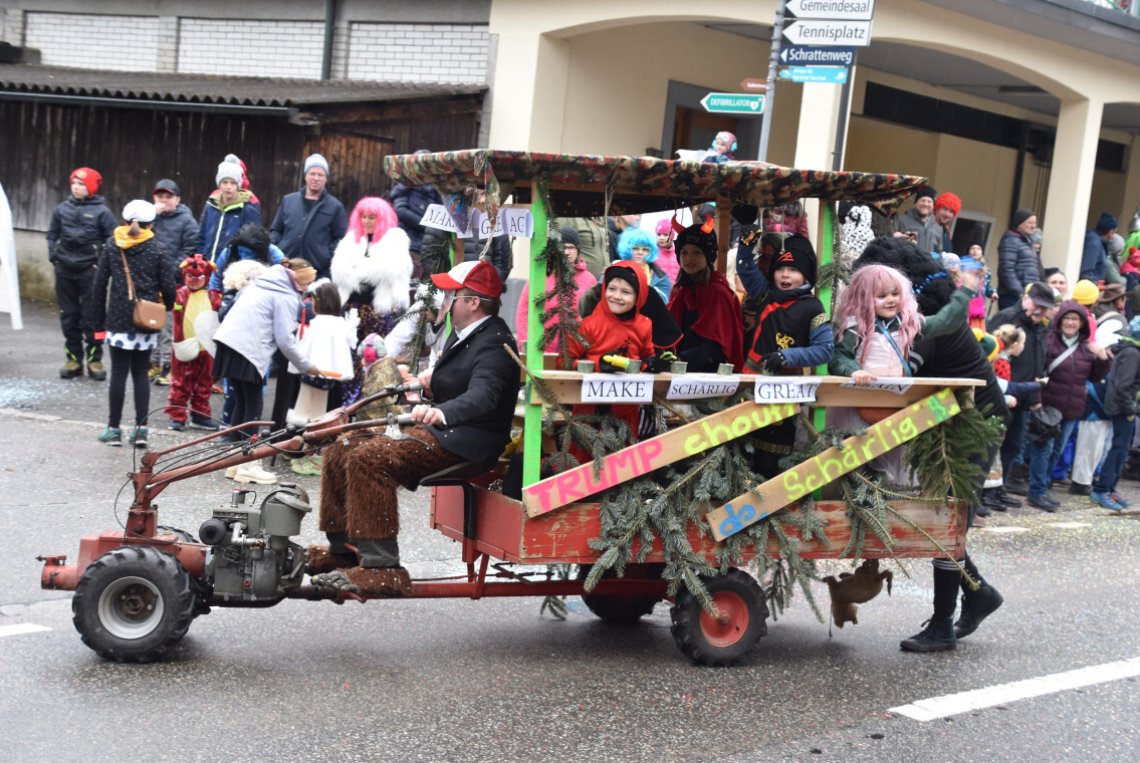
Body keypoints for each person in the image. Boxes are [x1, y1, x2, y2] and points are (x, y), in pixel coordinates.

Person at [311, 260, 519, 596]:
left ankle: (382, 567)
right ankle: (343, 550)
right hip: (446, 431)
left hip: (467, 442)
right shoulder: (466, 332)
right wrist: (429, 385)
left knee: (370, 458)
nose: (444, 300)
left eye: (451, 294)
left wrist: (443, 412)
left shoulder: (494, 342)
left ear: (473, 302)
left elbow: (485, 396)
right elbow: (460, 380)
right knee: (342, 446)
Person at [851, 236, 1007, 653]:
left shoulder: (921, 322)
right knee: (945, 519)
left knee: (949, 517)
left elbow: (897, 384)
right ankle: (979, 594)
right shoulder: (912, 313)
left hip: (974, 422)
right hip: (949, 415)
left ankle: (942, 625)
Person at [828, 262, 979, 483]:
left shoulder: (908, 324)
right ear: (864, 298)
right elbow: (837, 356)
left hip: (894, 400)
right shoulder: (855, 327)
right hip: (860, 400)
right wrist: (854, 370)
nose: (890, 300)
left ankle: (890, 501)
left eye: (895, 294)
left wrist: (964, 292)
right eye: (881, 296)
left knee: (893, 451)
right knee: (856, 456)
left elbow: (945, 322)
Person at [212, 259, 321, 485]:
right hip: (248, 349)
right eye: (308, 282)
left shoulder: (262, 283)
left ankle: (235, 461)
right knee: (253, 405)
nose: (307, 288)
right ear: (300, 280)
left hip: (228, 343)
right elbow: (285, 341)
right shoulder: (286, 296)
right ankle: (249, 463)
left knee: (242, 402)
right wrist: (307, 366)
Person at [87, 200, 177, 448]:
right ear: (151, 224)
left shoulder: (112, 245)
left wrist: (97, 323)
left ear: (125, 221)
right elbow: (169, 287)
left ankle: (113, 429)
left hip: (117, 319)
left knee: (118, 372)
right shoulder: (158, 249)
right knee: (140, 374)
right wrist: (166, 307)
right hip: (145, 319)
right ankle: (141, 430)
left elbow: (98, 286)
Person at [1025, 300, 1110, 511]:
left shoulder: (1086, 347)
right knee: (1043, 449)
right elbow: (1037, 372)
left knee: (1057, 451)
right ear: (1059, 320)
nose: (1071, 323)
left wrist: (1102, 359)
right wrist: (1036, 401)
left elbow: (1096, 376)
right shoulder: (1048, 341)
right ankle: (1036, 492)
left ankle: (1044, 488)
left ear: (1082, 323)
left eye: (1075, 319)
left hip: (1072, 408)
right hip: (1048, 405)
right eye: (1067, 318)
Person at [330, 196, 414, 404]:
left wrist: (360, 270)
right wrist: (362, 271)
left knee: (377, 357)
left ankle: (374, 402)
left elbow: (392, 270)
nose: (367, 221)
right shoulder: (351, 240)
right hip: (352, 310)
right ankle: (349, 403)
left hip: (379, 311)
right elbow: (338, 271)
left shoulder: (395, 239)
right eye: (364, 217)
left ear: (382, 218)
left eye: (372, 217)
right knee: (351, 358)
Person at [48, 167, 117, 380]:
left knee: (93, 317)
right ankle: (73, 359)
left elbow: (112, 241)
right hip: (65, 270)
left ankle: (94, 360)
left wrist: (100, 264)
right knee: (69, 316)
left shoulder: (103, 213)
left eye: (81, 184)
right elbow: (52, 234)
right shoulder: (61, 210)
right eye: (74, 183)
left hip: (90, 272)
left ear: (91, 188)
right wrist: (55, 256)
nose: (76, 188)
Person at [988, 282, 1055, 496]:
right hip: (1003, 395)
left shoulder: (1041, 327)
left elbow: (1038, 362)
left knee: (1013, 447)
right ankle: (985, 494)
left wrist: (1036, 395)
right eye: (1037, 305)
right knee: (992, 447)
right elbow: (988, 353)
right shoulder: (1008, 317)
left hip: (1024, 398)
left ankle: (1000, 490)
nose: (1040, 311)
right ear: (1026, 299)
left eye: (1045, 308)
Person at [286, 283, 357, 475]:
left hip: (313, 375)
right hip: (330, 378)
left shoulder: (318, 324)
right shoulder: (339, 324)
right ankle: (314, 454)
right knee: (321, 418)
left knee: (309, 417)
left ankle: (307, 456)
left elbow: (303, 350)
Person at [666, 219, 744, 373]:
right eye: (684, 252)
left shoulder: (717, 292)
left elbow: (717, 346)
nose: (689, 258)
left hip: (709, 374)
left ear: (708, 255)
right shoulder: (679, 290)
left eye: (697, 252)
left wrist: (682, 360)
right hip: (679, 368)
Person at [979, 324, 1041, 512]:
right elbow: (1000, 388)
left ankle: (996, 490)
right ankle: (986, 493)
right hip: (994, 415)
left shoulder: (1001, 361)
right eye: (1022, 343)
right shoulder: (1000, 363)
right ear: (1014, 345)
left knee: (997, 455)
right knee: (991, 455)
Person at [150, 178, 200, 384]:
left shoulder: (187, 221)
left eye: (168, 197)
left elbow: (189, 250)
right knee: (150, 323)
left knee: (170, 326)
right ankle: (153, 364)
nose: (164, 200)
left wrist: (168, 272)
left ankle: (168, 368)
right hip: (150, 281)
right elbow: (140, 239)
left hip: (174, 282)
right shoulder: (149, 218)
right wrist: (152, 216)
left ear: (177, 199)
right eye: (160, 196)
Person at [514, 227, 596, 353]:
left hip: (575, 351)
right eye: (562, 247)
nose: (566, 252)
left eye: (571, 247)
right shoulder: (539, 277)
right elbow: (523, 312)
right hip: (540, 349)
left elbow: (594, 317)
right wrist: (525, 343)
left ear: (578, 250)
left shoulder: (589, 280)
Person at [164, 254, 221, 432]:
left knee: (204, 382)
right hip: (184, 345)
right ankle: (177, 416)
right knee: (181, 382)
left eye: (199, 278)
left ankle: (200, 415)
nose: (194, 281)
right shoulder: (179, 294)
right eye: (190, 277)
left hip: (207, 347)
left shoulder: (213, 297)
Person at [270, 153, 348, 281]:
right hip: (286, 267)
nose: (316, 178)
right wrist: (280, 249)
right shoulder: (289, 200)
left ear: (326, 179)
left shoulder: (335, 206)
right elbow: (276, 230)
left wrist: (325, 256)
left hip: (316, 271)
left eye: (320, 175)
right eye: (312, 174)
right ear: (305, 176)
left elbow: (340, 238)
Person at [1091, 328, 1140, 510]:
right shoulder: (1133, 354)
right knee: (1118, 449)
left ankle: (1110, 488)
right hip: (1122, 408)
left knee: (1122, 449)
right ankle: (1102, 489)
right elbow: (1123, 386)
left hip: (1123, 407)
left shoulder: (1131, 351)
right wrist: (1130, 410)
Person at [389, 150, 444, 278]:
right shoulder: (406, 183)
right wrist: (428, 226)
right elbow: (401, 211)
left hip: (430, 247)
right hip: (408, 244)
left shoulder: (437, 187)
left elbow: (443, 212)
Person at [198, 157, 260, 262]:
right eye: (225, 182)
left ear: (238, 185)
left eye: (233, 183)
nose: (228, 187)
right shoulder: (211, 206)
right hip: (207, 264)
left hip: (231, 267)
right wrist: (199, 258)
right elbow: (201, 235)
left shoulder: (247, 209)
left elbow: (252, 242)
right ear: (219, 184)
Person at [209, 223, 285, 292]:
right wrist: (214, 295)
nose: (243, 257)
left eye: (248, 253)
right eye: (241, 251)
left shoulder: (275, 255)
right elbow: (216, 276)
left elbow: (284, 282)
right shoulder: (229, 251)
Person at [997, 208, 1041, 309]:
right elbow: (1006, 271)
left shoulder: (1027, 242)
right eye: (1029, 223)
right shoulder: (1010, 241)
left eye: (1034, 223)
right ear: (1019, 223)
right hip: (1013, 296)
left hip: (1028, 295)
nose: (1033, 226)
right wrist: (1020, 293)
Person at [616, 226, 671, 302]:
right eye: (635, 248)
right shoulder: (613, 270)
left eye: (645, 249)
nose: (640, 252)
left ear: (651, 252)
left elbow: (662, 306)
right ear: (627, 249)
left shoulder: (661, 279)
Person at [892, 186, 940, 253]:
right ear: (915, 203)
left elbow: (938, 252)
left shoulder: (938, 227)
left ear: (933, 206)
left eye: (929, 201)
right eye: (922, 200)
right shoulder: (901, 220)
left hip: (928, 263)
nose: (925, 204)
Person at [1079, 212, 1119, 283]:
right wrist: (1098, 285)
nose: (1113, 236)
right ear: (1110, 231)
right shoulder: (1094, 243)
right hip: (1090, 288)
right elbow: (1086, 272)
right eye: (1114, 232)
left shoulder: (1095, 240)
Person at [654, 218, 680, 283]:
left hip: (676, 291)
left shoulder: (678, 254)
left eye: (665, 235)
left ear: (672, 236)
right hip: (659, 291)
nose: (661, 238)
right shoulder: (653, 254)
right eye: (659, 234)